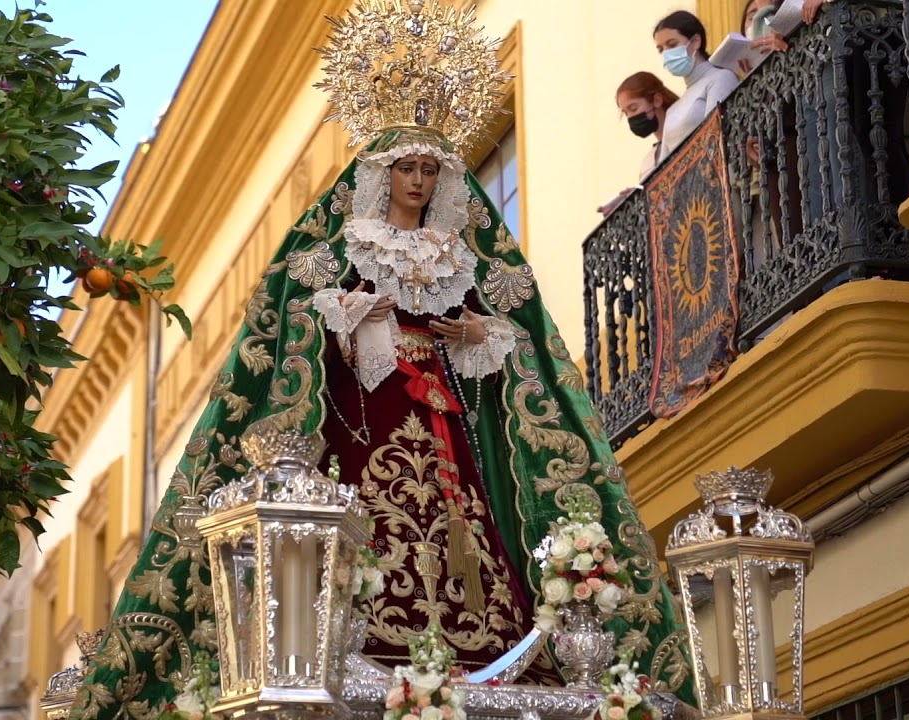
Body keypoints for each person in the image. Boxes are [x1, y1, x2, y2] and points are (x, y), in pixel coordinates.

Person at [69, 1, 695, 716]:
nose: (420, 182)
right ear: (383, 173)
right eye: (408, 168)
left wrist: (473, 337)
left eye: (431, 169)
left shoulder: (458, 253)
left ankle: (487, 652)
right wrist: (348, 313)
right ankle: (352, 640)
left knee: (461, 520)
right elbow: (299, 319)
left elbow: (508, 336)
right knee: (379, 519)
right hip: (369, 419)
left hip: (443, 410)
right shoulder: (346, 242)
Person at [653, 11, 740, 158]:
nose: (666, 54)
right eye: (661, 49)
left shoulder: (720, 78)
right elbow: (664, 168)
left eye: (672, 44)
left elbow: (716, 139)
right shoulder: (672, 110)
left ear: (695, 42)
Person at [598, 71, 679, 214]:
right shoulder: (648, 161)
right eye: (626, 113)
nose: (631, 117)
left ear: (657, 100)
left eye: (633, 108)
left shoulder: (683, 132)